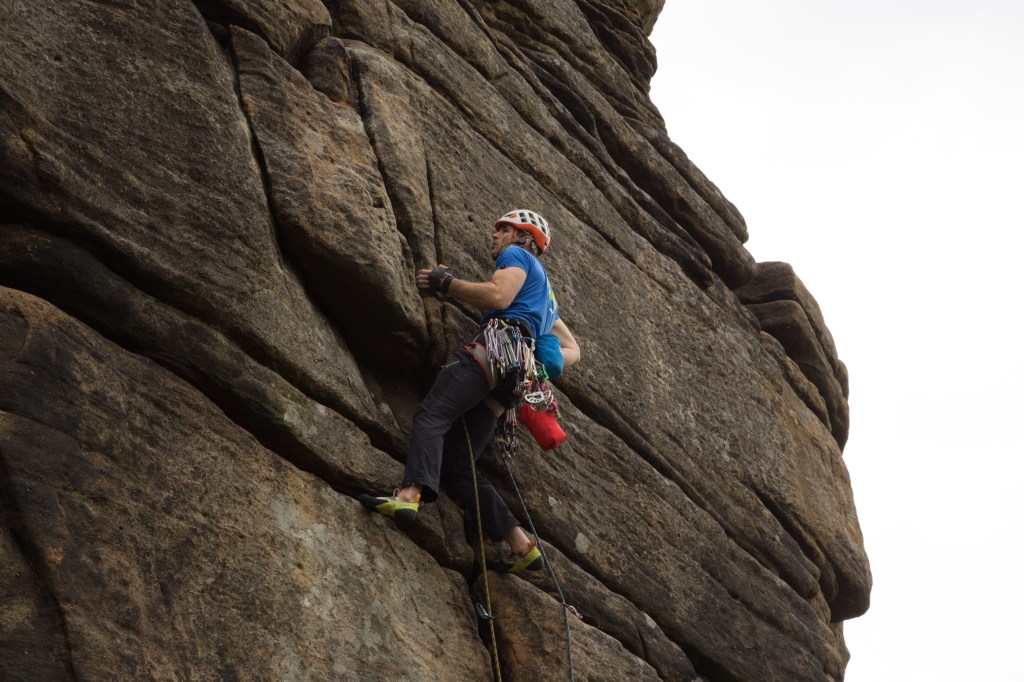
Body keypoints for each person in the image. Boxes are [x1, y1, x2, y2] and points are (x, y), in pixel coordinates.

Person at [359, 209, 580, 572]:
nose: (494, 235)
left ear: (524, 239)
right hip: (513, 379)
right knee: (459, 467)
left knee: (433, 414)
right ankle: (521, 544)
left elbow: (499, 296)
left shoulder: (517, 255)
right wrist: (540, 359)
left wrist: (447, 283)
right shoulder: (548, 299)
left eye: (504, 229)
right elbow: (573, 350)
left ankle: (409, 495)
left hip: (494, 352)